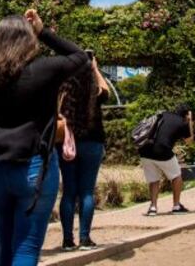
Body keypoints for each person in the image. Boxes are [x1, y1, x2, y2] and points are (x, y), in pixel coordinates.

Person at [0, 9, 90, 266]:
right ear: (28, 40)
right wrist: (43, 32)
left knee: (3, 245)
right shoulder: (43, 70)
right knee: (27, 247)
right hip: (34, 165)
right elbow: (80, 57)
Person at [58, 55, 110, 251]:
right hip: (92, 143)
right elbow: (106, 92)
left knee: (69, 192)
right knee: (87, 192)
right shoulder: (94, 91)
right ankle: (85, 238)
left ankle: (67, 240)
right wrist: (95, 69)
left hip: (68, 144)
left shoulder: (64, 91)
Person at [138, 104, 194, 216]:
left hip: (144, 149)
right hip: (162, 150)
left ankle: (153, 208)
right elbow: (190, 142)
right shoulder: (183, 122)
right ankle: (176, 206)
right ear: (186, 114)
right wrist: (190, 121)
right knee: (176, 176)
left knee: (154, 179)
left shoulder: (163, 114)